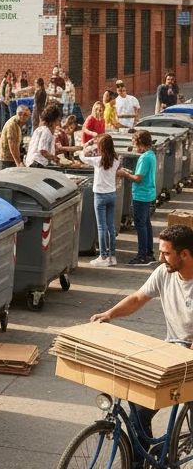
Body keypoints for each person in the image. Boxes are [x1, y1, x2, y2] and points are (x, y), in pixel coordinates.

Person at [90, 225, 193, 458]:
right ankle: (140, 461)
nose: (161, 258)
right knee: (138, 410)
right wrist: (110, 314)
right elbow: (138, 298)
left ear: (184, 254)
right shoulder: (164, 273)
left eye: (166, 253)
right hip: (173, 351)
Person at [80, 134, 125, 267]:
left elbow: (82, 157)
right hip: (112, 195)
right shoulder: (116, 161)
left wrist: (86, 145)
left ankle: (103, 256)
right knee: (111, 226)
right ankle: (112, 256)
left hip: (100, 196)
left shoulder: (98, 160)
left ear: (100, 147)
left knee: (101, 227)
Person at [122, 130, 157, 265]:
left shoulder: (144, 157)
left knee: (140, 225)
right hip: (148, 193)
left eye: (135, 143)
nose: (134, 147)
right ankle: (149, 253)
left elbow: (138, 178)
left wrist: (125, 174)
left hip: (141, 195)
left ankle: (142, 255)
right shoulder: (151, 155)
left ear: (141, 143)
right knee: (146, 223)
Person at [0, 105, 31, 169]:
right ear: (21, 115)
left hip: (12, 158)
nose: (28, 118)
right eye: (27, 116)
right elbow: (12, 146)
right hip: (6, 159)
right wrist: (18, 163)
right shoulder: (12, 125)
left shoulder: (19, 124)